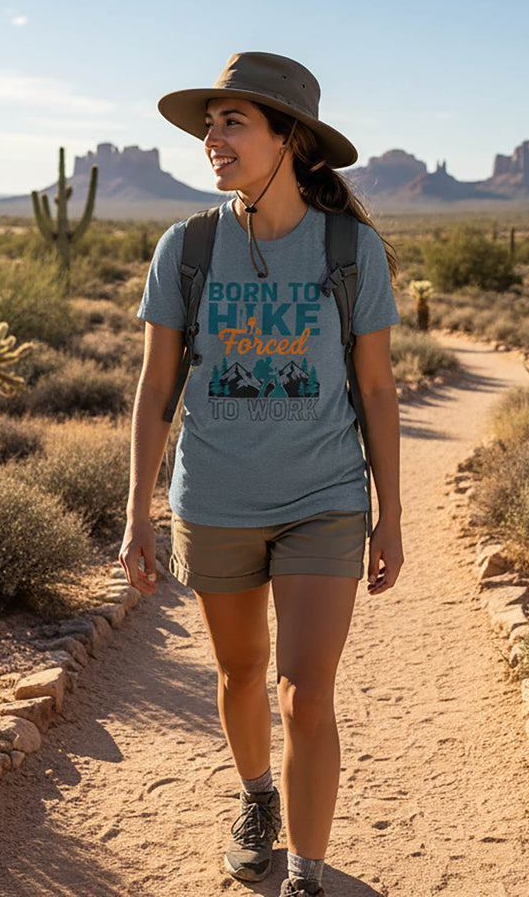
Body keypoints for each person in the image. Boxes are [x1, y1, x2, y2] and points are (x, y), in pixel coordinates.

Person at [119, 52, 402, 897]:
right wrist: (137, 512)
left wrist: (390, 516)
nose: (213, 137)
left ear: (289, 139)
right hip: (216, 499)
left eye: (233, 121)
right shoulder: (188, 248)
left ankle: (306, 874)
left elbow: (377, 389)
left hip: (324, 499)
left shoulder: (350, 249)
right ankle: (255, 799)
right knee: (240, 674)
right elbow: (156, 388)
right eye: (209, 124)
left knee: (304, 696)